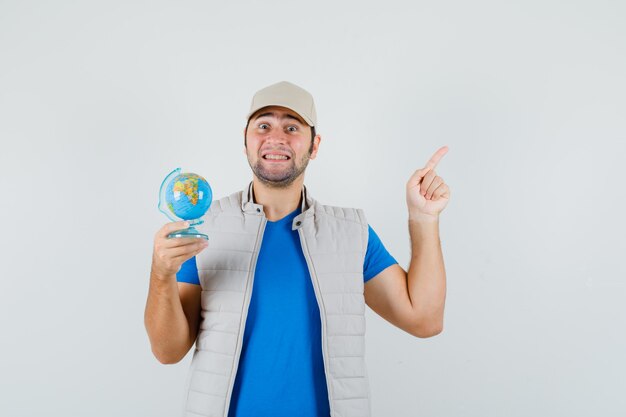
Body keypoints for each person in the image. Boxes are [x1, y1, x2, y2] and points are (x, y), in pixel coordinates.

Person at [144, 81, 450, 417]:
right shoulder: (206, 228)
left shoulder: (350, 233)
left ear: (314, 145)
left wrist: (423, 219)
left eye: (292, 127)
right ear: (245, 140)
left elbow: (424, 319)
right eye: (263, 126)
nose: (276, 138)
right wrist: (161, 274)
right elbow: (167, 351)